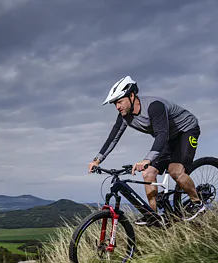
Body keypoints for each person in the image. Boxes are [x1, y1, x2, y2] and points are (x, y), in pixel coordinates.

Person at [87, 76, 205, 219]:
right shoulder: (124, 117)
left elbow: (162, 134)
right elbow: (113, 138)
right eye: (115, 104)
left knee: (175, 170)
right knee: (148, 173)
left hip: (186, 130)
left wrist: (147, 159)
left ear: (131, 96)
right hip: (167, 137)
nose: (117, 107)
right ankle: (153, 217)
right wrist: (97, 160)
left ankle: (198, 203)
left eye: (119, 102)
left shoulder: (154, 107)